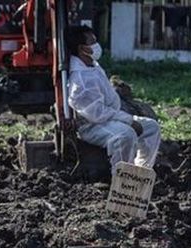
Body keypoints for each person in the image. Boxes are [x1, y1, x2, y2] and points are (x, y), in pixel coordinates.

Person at [67, 26, 161, 174]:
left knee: (152, 127)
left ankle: (141, 174)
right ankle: (122, 180)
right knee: (125, 135)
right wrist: (128, 120)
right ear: (82, 49)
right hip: (92, 125)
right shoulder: (81, 80)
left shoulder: (91, 65)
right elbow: (97, 114)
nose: (96, 46)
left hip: (110, 116)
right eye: (93, 42)